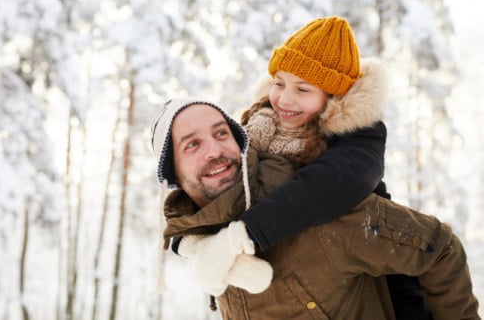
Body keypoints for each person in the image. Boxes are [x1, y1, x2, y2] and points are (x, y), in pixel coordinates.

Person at [162, 16, 428, 318]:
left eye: (303, 89)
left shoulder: (356, 137)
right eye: (279, 83)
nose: (285, 98)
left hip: (369, 277)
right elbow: (223, 187)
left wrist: (242, 235)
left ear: (332, 97)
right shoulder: (260, 125)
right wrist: (190, 242)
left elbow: (326, 186)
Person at [150, 99, 480, 319]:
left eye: (221, 133)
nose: (215, 150)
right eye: (192, 144)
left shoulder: (314, 209)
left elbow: (439, 247)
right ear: (173, 173)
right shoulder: (202, 239)